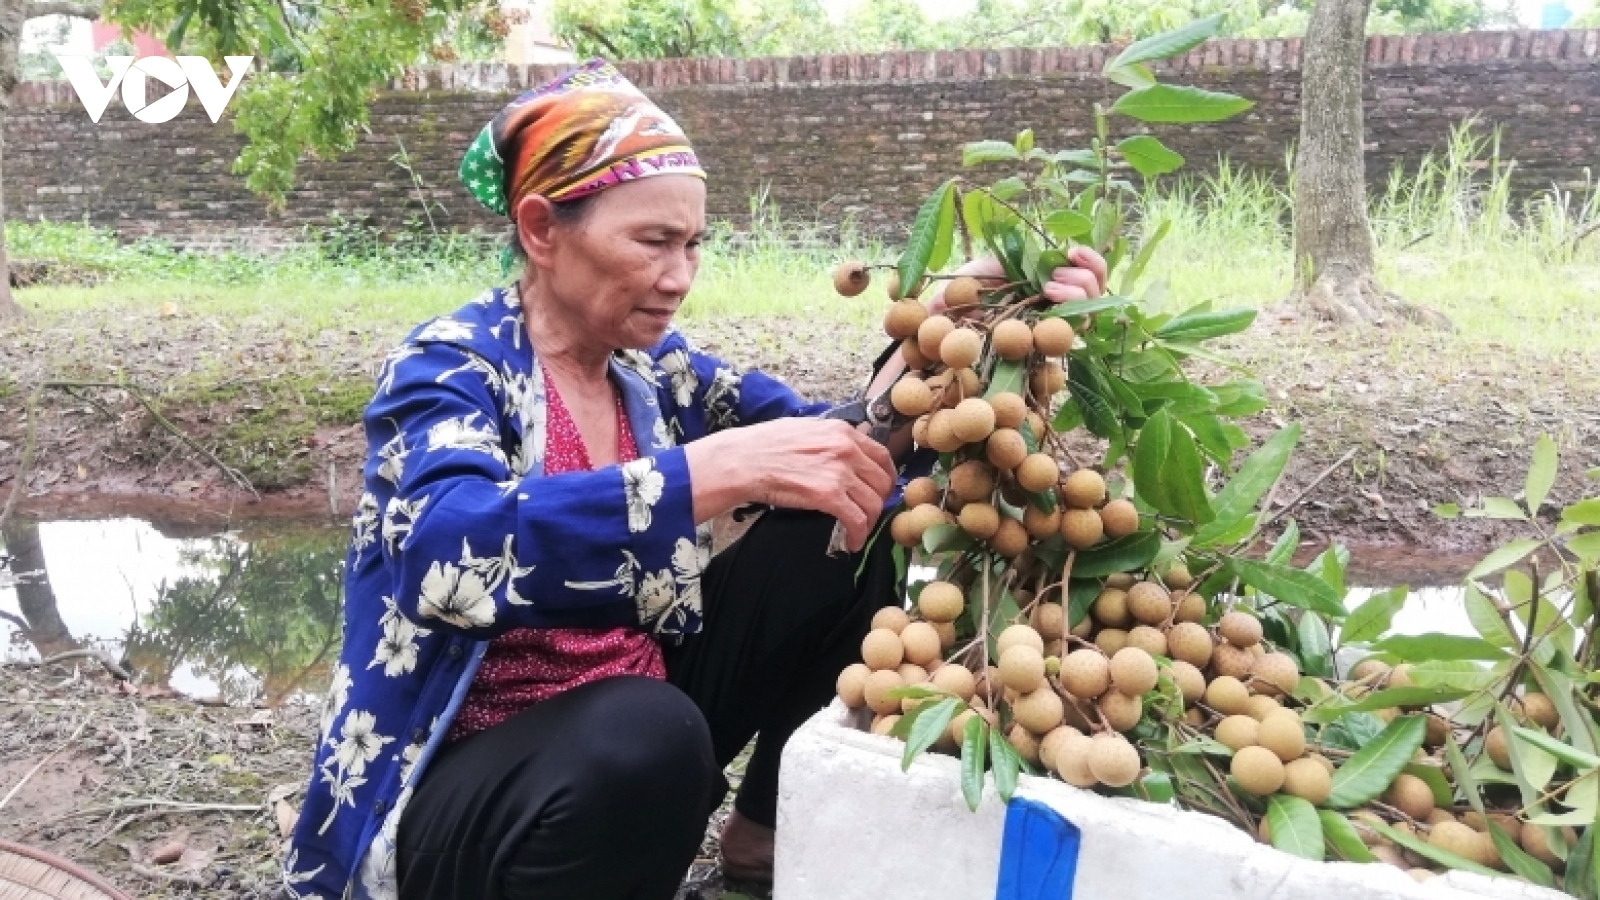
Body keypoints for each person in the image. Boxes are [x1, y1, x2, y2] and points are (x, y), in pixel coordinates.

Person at [281, 58, 1107, 900]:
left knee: (843, 521)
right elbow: (445, 554)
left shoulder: (651, 369)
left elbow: (836, 440)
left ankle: (761, 837)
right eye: (652, 242)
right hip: (464, 786)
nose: (679, 277)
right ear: (540, 230)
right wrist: (698, 474)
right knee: (646, 729)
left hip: (630, 716)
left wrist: (965, 324)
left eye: (692, 245)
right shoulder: (450, 367)